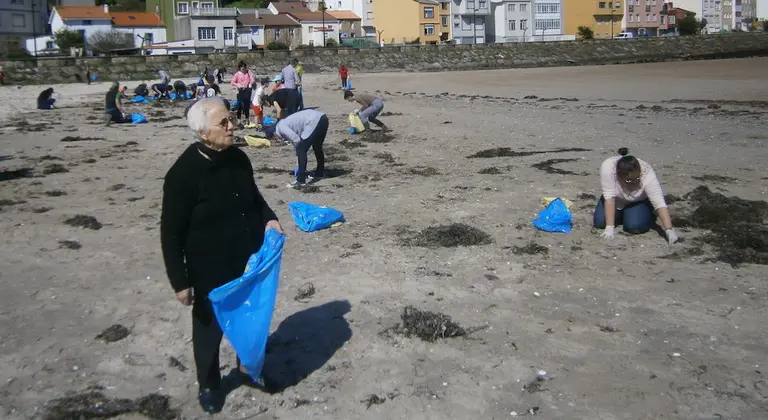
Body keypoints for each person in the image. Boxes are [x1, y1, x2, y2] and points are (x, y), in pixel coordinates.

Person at [161, 97, 283, 414]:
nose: (233, 126)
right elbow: (170, 233)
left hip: (248, 261)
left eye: (231, 119)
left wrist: (270, 218)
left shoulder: (239, 159)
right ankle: (210, 384)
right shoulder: (183, 174)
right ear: (203, 133)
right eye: (224, 123)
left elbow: (255, 200)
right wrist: (180, 281)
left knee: (250, 320)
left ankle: (248, 369)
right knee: (208, 330)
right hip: (208, 268)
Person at [594, 148, 679, 244]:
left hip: (638, 201)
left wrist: (669, 229)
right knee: (600, 223)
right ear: (619, 175)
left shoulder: (647, 172)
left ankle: (645, 213)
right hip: (616, 200)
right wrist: (609, 227)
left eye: (636, 178)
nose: (634, 182)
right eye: (629, 180)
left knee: (634, 227)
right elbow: (609, 197)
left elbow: (659, 202)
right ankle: (623, 215)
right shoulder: (608, 167)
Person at [263, 109, 328, 188]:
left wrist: (299, 161)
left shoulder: (281, 127)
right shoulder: (284, 125)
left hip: (313, 121)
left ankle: (300, 180)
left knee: (301, 149)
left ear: (274, 134)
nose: (276, 141)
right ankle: (319, 173)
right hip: (323, 118)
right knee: (317, 147)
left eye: (274, 139)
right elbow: (296, 141)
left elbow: (296, 140)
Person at [231, 61, 255, 129]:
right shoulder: (237, 74)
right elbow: (232, 82)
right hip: (240, 91)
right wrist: (237, 85)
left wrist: (250, 83)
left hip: (247, 91)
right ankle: (239, 121)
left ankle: (247, 120)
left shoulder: (248, 72)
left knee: (247, 106)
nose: (243, 70)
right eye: (242, 69)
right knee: (240, 106)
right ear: (240, 68)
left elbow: (252, 79)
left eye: (244, 68)